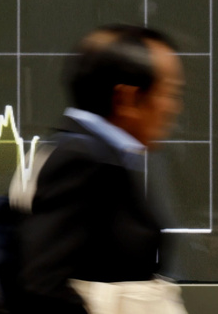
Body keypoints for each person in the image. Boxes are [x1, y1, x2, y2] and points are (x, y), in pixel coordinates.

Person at [14, 24, 185, 314]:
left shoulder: (95, 153)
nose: (174, 107)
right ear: (126, 99)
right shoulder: (79, 160)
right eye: (168, 92)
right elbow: (40, 284)